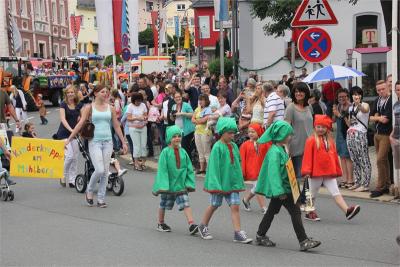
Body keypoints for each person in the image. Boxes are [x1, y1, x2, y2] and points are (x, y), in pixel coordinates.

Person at [254, 120, 321, 251]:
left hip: (285, 188)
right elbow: (274, 174)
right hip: (282, 190)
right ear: (281, 135)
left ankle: (260, 234)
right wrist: (279, 191)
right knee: (295, 212)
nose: (290, 137)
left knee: (271, 212)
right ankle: (303, 241)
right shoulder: (275, 152)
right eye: (288, 134)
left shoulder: (280, 149)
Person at [66, 84, 128, 208]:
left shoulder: (110, 108)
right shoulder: (89, 107)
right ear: (95, 93)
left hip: (108, 142)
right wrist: (70, 138)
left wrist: (123, 141)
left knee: (105, 171)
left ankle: (101, 198)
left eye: (107, 92)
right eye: (103, 92)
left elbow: (116, 125)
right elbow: (80, 124)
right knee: (99, 169)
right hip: (94, 142)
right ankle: (89, 190)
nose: (105, 94)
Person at [197, 117, 253, 244]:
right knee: (214, 205)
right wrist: (215, 184)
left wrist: (241, 176)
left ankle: (238, 232)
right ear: (222, 132)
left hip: (232, 183)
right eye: (229, 133)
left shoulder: (233, 146)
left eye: (233, 132)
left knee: (235, 206)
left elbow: (237, 163)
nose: (232, 135)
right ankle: (203, 225)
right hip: (220, 183)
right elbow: (213, 167)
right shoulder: (217, 147)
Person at [301, 115, 361, 221]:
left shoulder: (330, 141)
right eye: (318, 126)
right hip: (315, 173)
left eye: (323, 127)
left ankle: (347, 211)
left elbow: (333, 157)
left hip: (329, 172)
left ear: (327, 128)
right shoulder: (311, 140)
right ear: (315, 127)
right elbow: (307, 156)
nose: (320, 129)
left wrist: (336, 170)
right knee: (312, 194)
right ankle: (309, 212)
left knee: (336, 192)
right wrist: (306, 171)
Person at [152, 125, 198, 234]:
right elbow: (162, 169)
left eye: (179, 136)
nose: (177, 138)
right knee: (163, 203)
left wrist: (189, 182)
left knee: (185, 203)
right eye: (174, 136)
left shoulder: (183, 152)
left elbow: (189, 168)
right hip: (168, 184)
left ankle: (191, 224)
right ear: (169, 139)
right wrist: (163, 184)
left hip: (180, 184)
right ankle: (161, 223)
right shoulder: (165, 152)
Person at [284, 82, 313, 206]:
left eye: (300, 91)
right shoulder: (291, 107)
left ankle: (304, 197)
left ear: (306, 93)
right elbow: (286, 127)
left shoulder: (309, 107)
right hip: (296, 145)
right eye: (296, 91)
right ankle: (296, 200)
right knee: (295, 175)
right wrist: (286, 146)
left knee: (309, 174)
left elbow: (312, 126)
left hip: (310, 145)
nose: (298, 94)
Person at [56, 85, 84, 188]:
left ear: (75, 93)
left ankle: (72, 180)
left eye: (72, 92)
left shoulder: (78, 104)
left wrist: (79, 127)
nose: (70, 94)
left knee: (75, 157)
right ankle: (62, 175)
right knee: (69, 155)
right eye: (68, 92)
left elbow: (82, 117)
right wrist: (71, 130)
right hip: (64, 133)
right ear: (66, 94)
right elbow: (63, 119)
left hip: (75, 133)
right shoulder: (63, 104)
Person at [369, 80, 393, 198]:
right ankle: (387, 184)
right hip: (377, 134)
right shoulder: (377, 100)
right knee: (383, 161)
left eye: (383, 89)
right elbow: (370, 117)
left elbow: (386, 119)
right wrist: (377, 117)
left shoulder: (391, 100)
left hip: (386, 134)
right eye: (378, 90)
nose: (381, 92)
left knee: (379, 159)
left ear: (388, 88)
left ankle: (380, 186)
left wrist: (377, 117)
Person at [346, 86, 371, 192]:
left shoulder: (365, 105)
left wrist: (358, 104)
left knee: (363, 159)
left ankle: (365, 183)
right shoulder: (350, 107)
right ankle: (358, 181)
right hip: (351, 134)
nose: (356, 96)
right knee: (354, 159)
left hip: (361, 134)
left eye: (358, 94)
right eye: (354, 94)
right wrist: (343, 117)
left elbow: (365, 111)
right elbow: (349, 123)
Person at [240, 123, 270, 214]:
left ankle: (246, 199)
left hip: (261, 169)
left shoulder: (264, 143)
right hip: (252, 169)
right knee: (258, 187)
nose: (250, 133)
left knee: (256, 187)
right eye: (249, 132)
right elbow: (241, 158)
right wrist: (242, 171)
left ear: (259, 132)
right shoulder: (245, 145)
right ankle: (263, 207)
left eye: (253, 131)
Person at [332, 89, 353, 188]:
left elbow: (350, 124)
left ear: (347, 96)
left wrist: (339, 115)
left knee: (348, 157)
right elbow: (333, 120)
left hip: (347, 134)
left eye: (344, 96)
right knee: (342, 156)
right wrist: (334, 111)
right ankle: (344, 178)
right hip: (339, 135)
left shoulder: (351, 107)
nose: (342, 98)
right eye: (340, 97)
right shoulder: (339, 106)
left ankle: (350, 179)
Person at [126, 92, 148, 171]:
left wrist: (144, 118)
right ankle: (136, 163)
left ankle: (142, 163)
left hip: (143, 127)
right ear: (133, 100)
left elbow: (146, 115)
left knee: (143, 146)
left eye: (140, 100)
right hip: (133, 128)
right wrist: (137, 118)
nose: (138, 102)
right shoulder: (130, 106)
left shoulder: (143, 105)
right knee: (136, 146)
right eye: (137, 101)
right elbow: (128, 118)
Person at [192, 94, 213, 174]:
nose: (200, 101)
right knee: (200, 151)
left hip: (205, 132)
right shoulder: (197, 109)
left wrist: (197, 121)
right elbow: (192, 119)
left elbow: (204, 121)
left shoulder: (208, 109)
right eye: (199, 100)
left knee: (206, 151)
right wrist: (199, 121)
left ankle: (209, 169)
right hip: (197, 132)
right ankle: (202, 169)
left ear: (206, 101)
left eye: (202, 100)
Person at [171, 91, 195, 158]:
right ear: (174, 98)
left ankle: (188, 163)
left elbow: (193, 114)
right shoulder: (173, 106)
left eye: (179, 97)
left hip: (187, 130)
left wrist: (182, 113)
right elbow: (173, 119)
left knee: (185, 148)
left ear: (181, 97)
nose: (178, 98)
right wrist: (172, 116)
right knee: (179, 147)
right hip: (178, 130)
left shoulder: (186, 104)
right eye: (176, 97)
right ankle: (183, 162)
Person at [389, 81, 400, 199]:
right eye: (397, 89)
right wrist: (391, 135)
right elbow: (396, 122)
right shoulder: (395, 105)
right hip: (396, 138)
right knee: (398, 166)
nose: (399, 92)